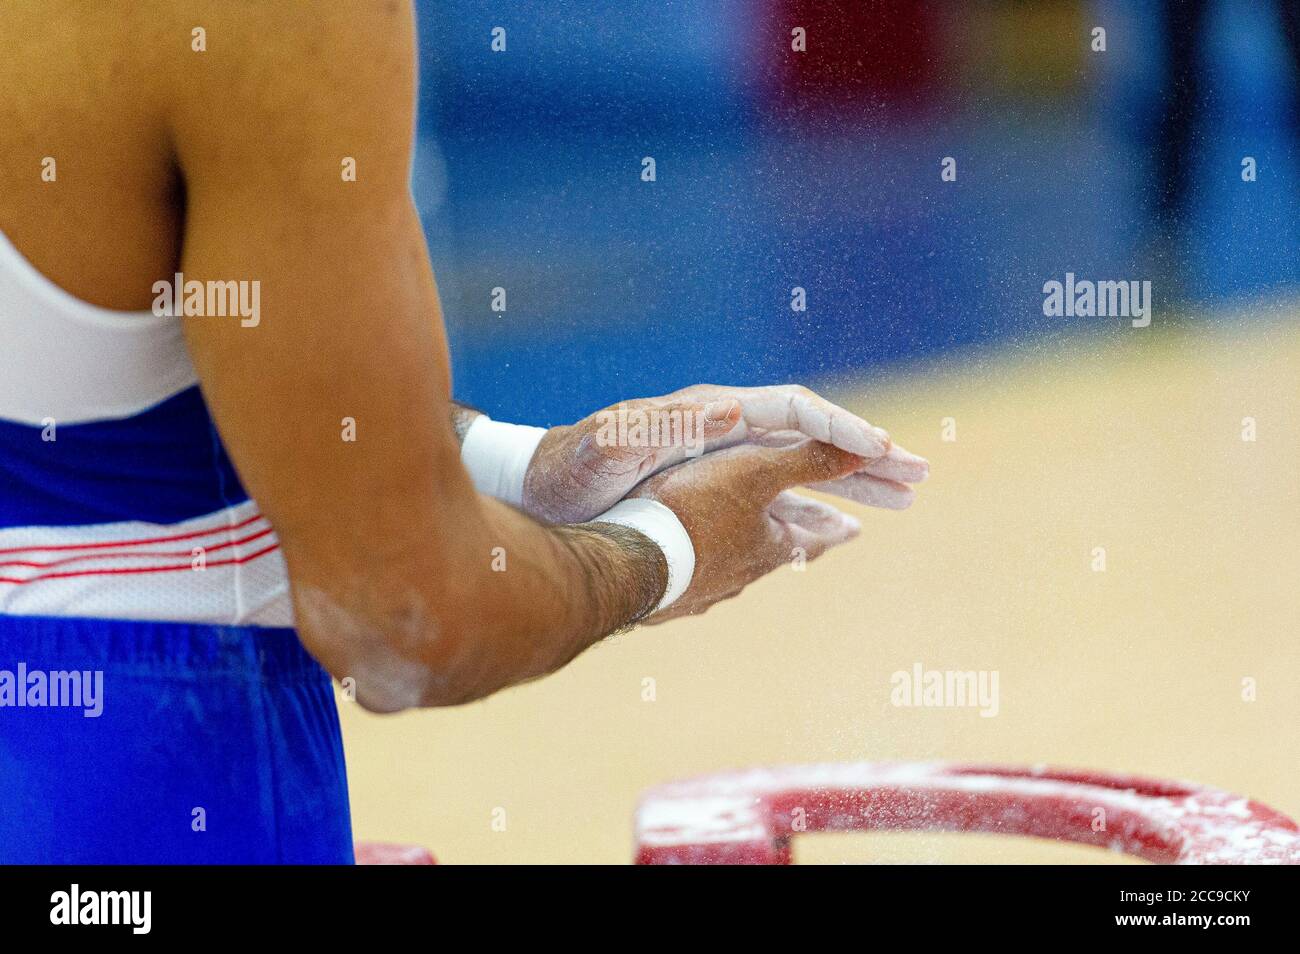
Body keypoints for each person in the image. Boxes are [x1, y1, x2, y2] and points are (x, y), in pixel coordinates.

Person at [0, 1, 927, 862]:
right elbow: (401, 619)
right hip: (133, 778)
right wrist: (670, 548)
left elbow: (88, 390)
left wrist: (530, 466)